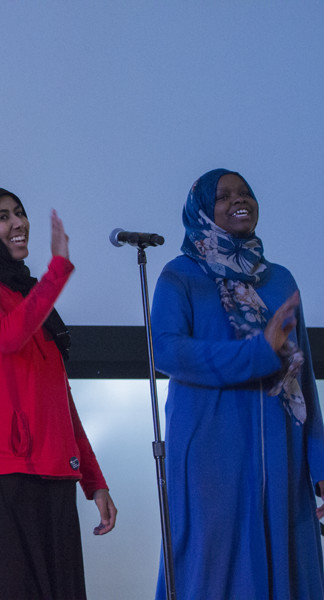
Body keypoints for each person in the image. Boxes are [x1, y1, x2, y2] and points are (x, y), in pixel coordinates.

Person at [153, 169, 324, 599]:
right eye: (223, 196)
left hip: (281, 451)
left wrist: (320, 464)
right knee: (213, 568)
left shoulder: (279, 279)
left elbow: (300, 377)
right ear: (201, 211)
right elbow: (168, 352)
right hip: (212, 453)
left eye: (245, 193)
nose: (238, 200)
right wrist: (256, 353)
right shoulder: (181, 276)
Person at [0, 187, 116, 600]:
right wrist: (57, 270)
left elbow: (60, 399)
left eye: (19, 213)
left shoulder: (29, 294)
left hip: (55, 467)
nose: (18, 223)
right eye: (3, 217)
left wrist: (94, 480)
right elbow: (6, 336)